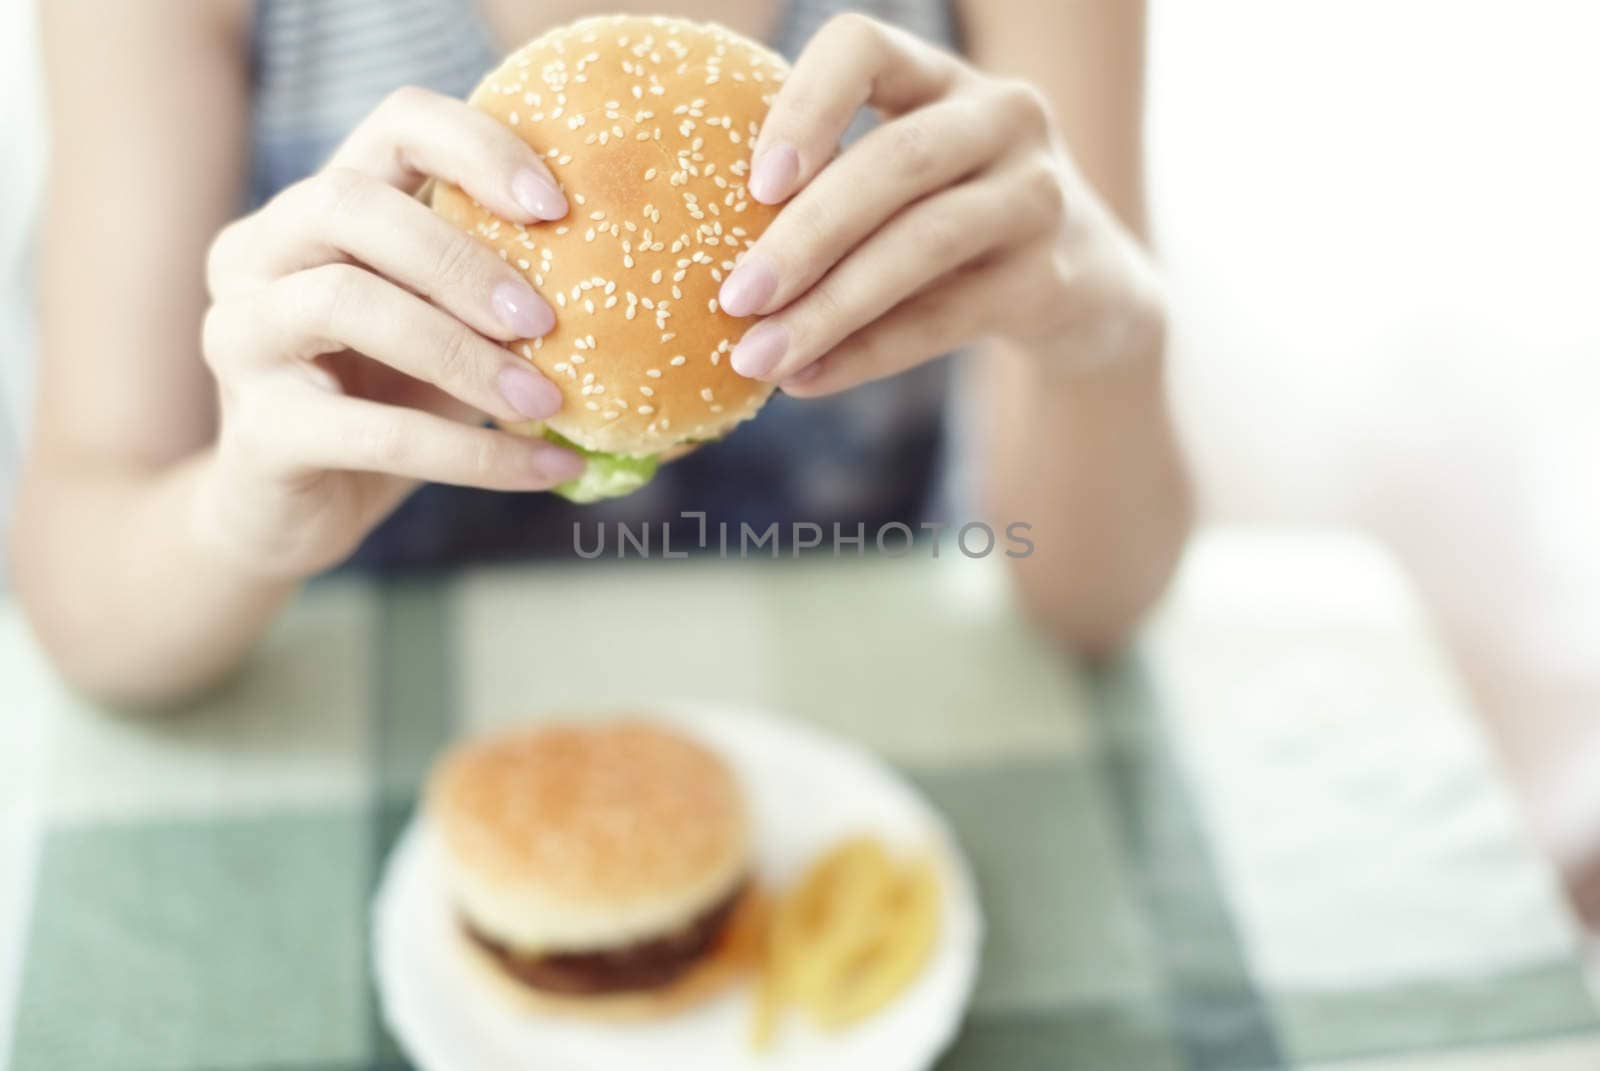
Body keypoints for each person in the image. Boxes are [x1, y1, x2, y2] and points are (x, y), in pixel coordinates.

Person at [14, 0, 1191, 705]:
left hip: (863, 706)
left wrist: (1109, 336)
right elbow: (80, 596)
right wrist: (236, 520)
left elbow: (1095, 604)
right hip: (358, 699)